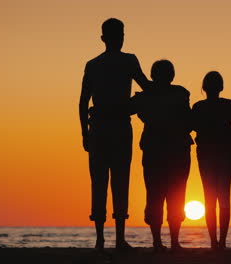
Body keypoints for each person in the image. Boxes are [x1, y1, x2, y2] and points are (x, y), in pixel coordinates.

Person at [79, 18, 152, 250]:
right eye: (119, 35)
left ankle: (106, 239)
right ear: (109, 38)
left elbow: (83, 101)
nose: (120, 39)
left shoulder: (94, 64)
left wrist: (84, 131)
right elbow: (147, 87)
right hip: (115, 127)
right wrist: (139, 101)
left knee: (103, 181)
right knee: (117, 181)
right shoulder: (126, 61)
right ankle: (110, 239)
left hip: (104, 127)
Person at [131, 60, 193, 251]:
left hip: (155, 150)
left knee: (155, 195)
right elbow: (189, 120)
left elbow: (126, 108)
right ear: (172, 75)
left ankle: (158, 241)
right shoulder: (181, 94)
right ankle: (173, 241)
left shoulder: (147, 96)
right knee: (176, 194)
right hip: (176, 151)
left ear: (152, 75)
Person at [192, 72, 231, 249]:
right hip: (225, 153)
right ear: (221, 87)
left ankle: (214, 242)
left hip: (206, 154)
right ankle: (221, 241)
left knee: (209, 197)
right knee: (224, 198)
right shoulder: (228, 105)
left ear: (204, 88)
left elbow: (191, 126)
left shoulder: (198, 107)